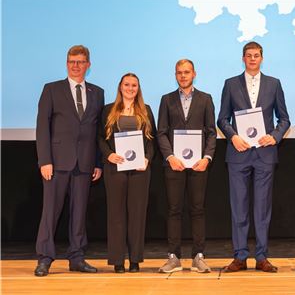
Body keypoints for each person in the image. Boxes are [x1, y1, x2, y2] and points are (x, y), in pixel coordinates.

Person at [217, 41, 290, 273]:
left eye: (256, 55)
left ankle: (261, 256)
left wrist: (274, 136)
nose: (252, 59)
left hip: (264, 154)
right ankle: (239, 256)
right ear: (243, 58)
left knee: (262, 209)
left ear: (262, 58)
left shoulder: (274, 84)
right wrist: (232, 136)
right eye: (248, 55)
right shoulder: (230, 84)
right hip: (238, 154)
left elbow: (285, 119)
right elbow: (222, 119)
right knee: (239, 208)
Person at [35, 45, 104, 276]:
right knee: (50, 212)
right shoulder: (52, 90)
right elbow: (42, 127)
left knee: (79, 213)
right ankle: (45, 258)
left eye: (81, 61)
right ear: (67, 63)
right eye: (72, 61)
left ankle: (77, 257)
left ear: (88, 65)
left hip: (84, 164)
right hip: (56, 163)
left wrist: (97, 162)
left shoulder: (97, 92)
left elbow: (97, 131)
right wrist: (44, 160)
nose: (76, 65)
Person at [157, 59, 216, 273]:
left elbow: (211, 132)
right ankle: (174, 257)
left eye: (187, 72)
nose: (183, 76)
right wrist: (170, 156)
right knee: (174, 210)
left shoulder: (206, 99)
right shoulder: (166, 100)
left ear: (194, 74)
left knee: (198, 210)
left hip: (199, 165)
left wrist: (207, 158)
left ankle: (198, 257)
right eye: (179, 72)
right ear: (175, 75)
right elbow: (161, 132)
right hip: (174, 165)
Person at [98, 73, 156, 273]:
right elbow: (99, 138)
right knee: (116, 215)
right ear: (120, 87)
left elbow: (152, 141)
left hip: (140, 170)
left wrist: (147, 159)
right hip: (115, 169)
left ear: (138, 88)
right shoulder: (108, 110)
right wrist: (109, 155)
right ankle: (117, 260)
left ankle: (135, 260)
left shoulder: (146, 110)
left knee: (137, 215)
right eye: (127, 85)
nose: (130, 88)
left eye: (134, 85)